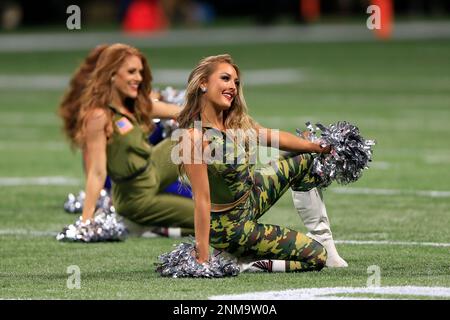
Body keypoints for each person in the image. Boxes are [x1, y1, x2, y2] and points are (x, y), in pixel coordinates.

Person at [176, 54, 335, 272]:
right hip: (231, 226)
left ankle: (324, 238)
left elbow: (271, 136)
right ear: (203, 83)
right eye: (225, 79)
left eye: (235, 82)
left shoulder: (232, 122)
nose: (232, 86)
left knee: (304, 159)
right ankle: (244, 263)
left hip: (251, 196)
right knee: (316, 257)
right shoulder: (194, 138)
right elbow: (201, 201)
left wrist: (317, 146)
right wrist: (203, 257)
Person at [60, 43, 194, 236]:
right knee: (207, 216)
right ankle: (156, 226)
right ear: (112, 74)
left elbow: (181, 113)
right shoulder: (99, 116)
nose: (138, 78)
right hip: (134, 195)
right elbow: (97, 172)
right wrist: (86, 219)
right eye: (131, 72)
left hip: (151, 170)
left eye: (140, 72)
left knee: (195, 136)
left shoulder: (135, 103)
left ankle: (230, 190)